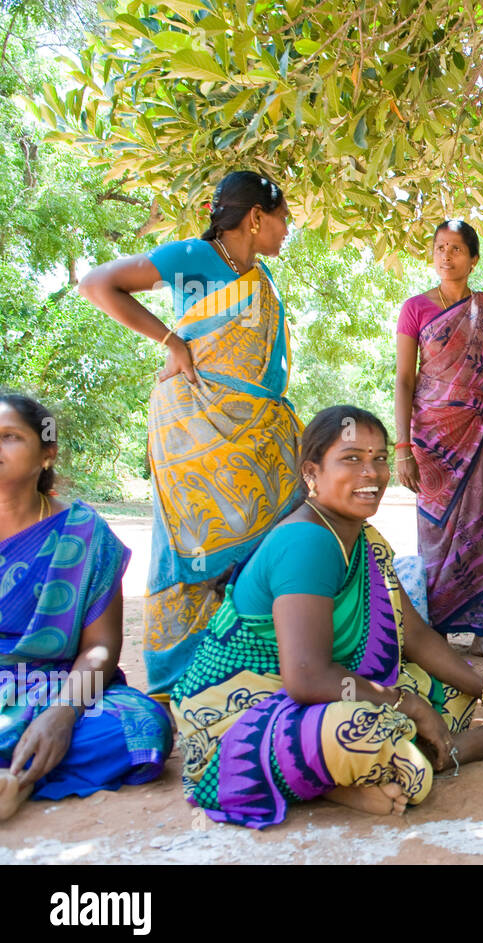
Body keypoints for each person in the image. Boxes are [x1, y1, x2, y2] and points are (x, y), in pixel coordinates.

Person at [171, 406, 483, 829]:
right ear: (312, 472)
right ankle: (435, 756)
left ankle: (360, 774)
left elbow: (415, 636)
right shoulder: (307, 541)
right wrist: (410, 706)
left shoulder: (364, 539)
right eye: (352, 458)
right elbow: (305, 678)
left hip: (316, 696)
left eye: (379, 458)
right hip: (240, 716)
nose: (372, 473)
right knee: (362, 732)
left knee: (454, 690)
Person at [78, 171, 301, 695]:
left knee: (270, 537)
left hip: (254, 432)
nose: (287, 230)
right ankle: (186, 677)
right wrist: (170, 339)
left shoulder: (261, 277)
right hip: (193, 426)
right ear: (255, 217)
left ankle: (252, 661)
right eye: (283, 219)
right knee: (194, 544)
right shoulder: (192, 258)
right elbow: (95, 283)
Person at [1, 396, 171, 821]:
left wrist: (62, 712)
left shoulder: (83, 532)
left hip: (58, 684)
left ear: (47, 453)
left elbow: (99, 649)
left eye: (9, 437)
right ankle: (19, 775)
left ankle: (16, 772)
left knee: (141, 726)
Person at [395, 219, 483, 663]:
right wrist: (402, 448)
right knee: (435, 533)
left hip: (481, 434)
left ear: (473, 258)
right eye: (439, 248)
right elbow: (404, 380)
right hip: (431, 439)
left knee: (482, 530)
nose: (446, 256)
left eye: (455, 249)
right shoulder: (415, 308)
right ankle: (437, 630)